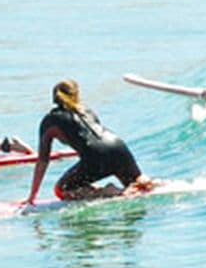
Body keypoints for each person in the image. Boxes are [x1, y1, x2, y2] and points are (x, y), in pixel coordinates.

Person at [26, 80, 157, 203]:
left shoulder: (50, 121)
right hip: (119, 147)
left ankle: (109, 191)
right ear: (76, 95)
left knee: (62, 190)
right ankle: (148, 182)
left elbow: (43, 161)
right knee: (136, 182)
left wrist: (31, 197)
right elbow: (95, 139)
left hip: (97, 156)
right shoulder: (87, 111)